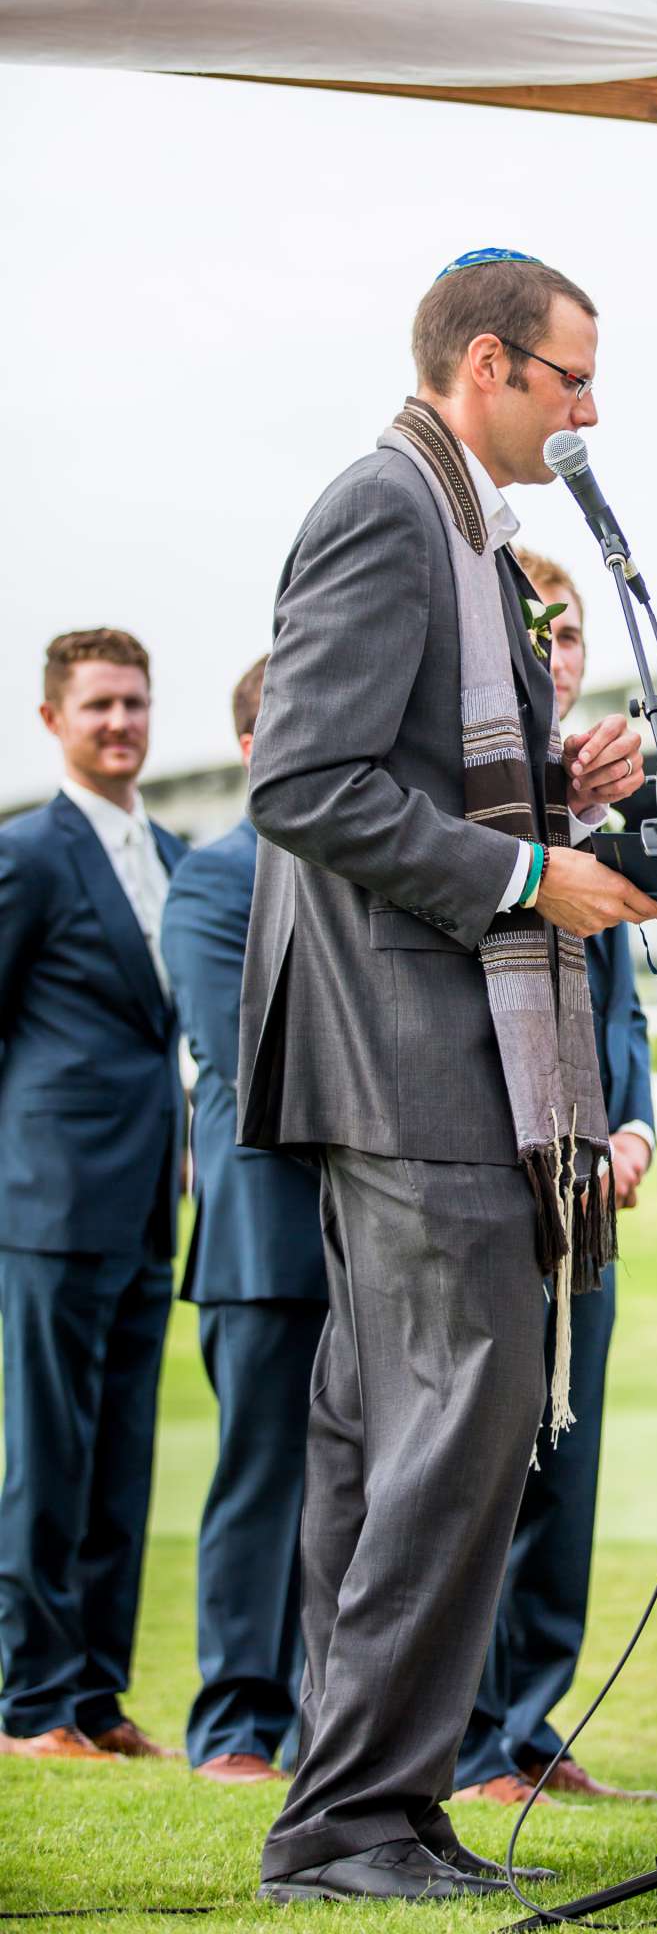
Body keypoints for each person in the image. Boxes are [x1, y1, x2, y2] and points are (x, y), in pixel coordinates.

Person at [239, 247, 657, 1906]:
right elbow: (304, 780)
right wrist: (520, 880)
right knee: (454, 1425)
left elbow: (418, 769)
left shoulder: (466, 533)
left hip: (434, 1040)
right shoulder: (384, 508)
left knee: (392, 1439)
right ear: (488, 365)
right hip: (407, 1042)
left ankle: (377, 1809)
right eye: (571, 377)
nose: (589, 409)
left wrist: (565, 779)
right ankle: (346, 1821)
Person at [455, 551, 657, 1809]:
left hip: (592, 1182)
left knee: (568, 1460)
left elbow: (623, 1012)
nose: (559, 650)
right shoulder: (478, 809)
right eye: (537, 631)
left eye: (569, 629)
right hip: (490, 1170)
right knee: (486, 1462)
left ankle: (535, 1728)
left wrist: (633, 1128)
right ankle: (470, 1741)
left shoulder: (607, 813)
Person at [0, 629, 185, 1765]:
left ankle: (100, 1698)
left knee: (122, 1457)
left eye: (135, 703)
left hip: (151, 1201)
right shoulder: (28, 853)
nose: (121, 722)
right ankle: (30, 1706)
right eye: (100, 705)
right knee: (50, 1453)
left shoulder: (168, 847)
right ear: (54, 720)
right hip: (52, 1202)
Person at [161, 655, 328, 1786]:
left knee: (362, 1495)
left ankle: (337, 1724)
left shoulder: (362, 863)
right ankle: (233, 1723)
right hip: (266, 1239)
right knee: (263, 1484)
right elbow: (242, 1056)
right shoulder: (216, 881)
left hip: (378, 1238)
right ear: (248, 747)